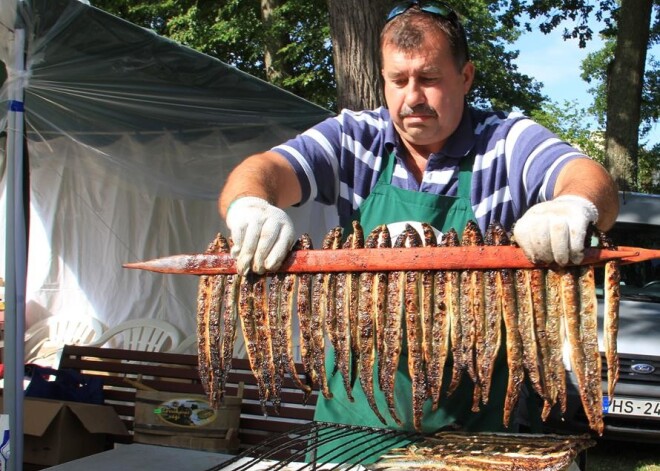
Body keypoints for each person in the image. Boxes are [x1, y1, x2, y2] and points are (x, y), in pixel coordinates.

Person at [218, 0, 619, 460]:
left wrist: (573, 204)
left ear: (465, 77)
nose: (412, 97)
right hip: (351, 420)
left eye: (429, 79)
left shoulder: (505, 141)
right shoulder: (354, 138)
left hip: (473, 424)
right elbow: (263, 169)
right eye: (398, 81)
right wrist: (251, 204)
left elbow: (591, 179)